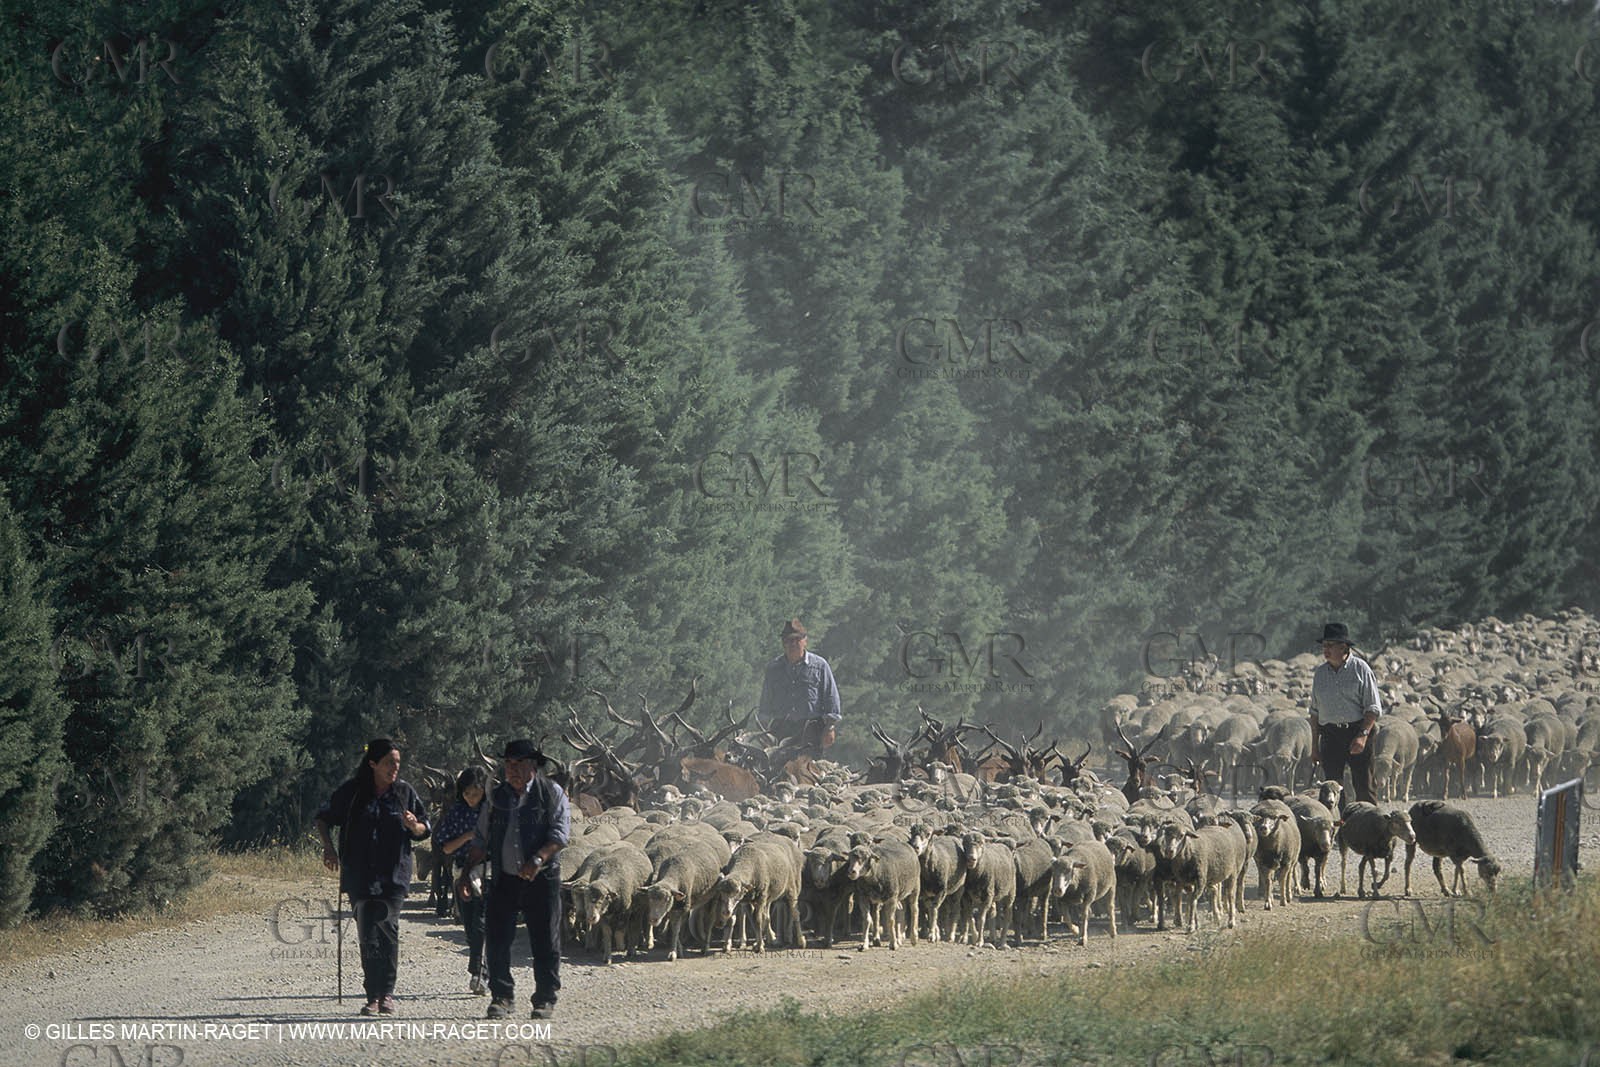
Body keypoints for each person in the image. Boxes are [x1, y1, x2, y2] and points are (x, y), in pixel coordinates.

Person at [315, 738, 431, 1016]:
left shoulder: (404, 793)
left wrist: (414, 826)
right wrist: (328, 848)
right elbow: (323, 818)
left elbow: (425, 828)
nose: (395, 768)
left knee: (388, 928)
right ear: (372, 764)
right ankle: (373, 997)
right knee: (368, 934)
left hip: (394, 875)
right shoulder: (353, 793)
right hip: (359, 875)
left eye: (397, 763)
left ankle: (387, 993)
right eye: (389, 762)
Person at [465, 739, 569, 1021]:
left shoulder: (551, 793)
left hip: (542, 879)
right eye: (508, 764)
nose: (511, 769)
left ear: (532, 765)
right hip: (504, 879)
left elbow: (560, 835)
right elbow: (480, 838)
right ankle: (502, 997)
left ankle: (545, 998)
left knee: (545, 940)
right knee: (497, 940)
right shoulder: (496, 797)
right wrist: (466, 873)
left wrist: (538, 859)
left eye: (518, 763)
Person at [1307, 622, 1383, 804]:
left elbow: (1373, 707)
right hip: (1330, 735)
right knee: (1332, 787)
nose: (1325, 650)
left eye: (1330, 645)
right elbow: (1315, 713)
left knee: (1364, 785)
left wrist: (1362, 735)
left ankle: (1368, 819)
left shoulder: (1361, 669)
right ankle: (1339, 820)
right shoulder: (1320, 674)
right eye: (1324, 645)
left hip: (1357, 730)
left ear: (1343, 647)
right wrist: (1314, 746)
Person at [435, 765, 491, 995]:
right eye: (467, 793)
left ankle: (479, 973)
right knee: (469, 924)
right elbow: (446, 848)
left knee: (481, 921)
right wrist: (468, 836)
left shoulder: (493, 812)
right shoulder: (456, 813)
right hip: (462, 872)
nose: (471, 798)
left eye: (476, 793)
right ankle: (481, 968)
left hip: (488, 871)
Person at [758, 618, 841, 753]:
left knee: (809, 766)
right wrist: (762, 730)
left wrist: (830, 727)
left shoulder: (820, 666)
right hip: (781, 731)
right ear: (783, 643)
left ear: (805, 641)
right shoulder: (774, 668)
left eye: (797, 639)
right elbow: (765, 702)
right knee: (778, 765)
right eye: (788, 640)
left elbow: (831, 697)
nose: (793, 644)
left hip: (811, 731)